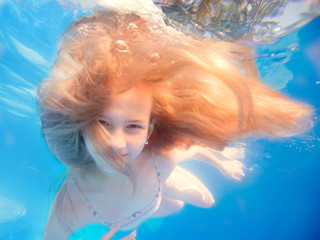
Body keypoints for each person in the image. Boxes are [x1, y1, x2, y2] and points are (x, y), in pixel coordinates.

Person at [37, 9, 312, 239]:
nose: (116, 143)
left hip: (154, 194)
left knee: (205, 202)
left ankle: (163, 190)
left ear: (150, 130)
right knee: (168, 207)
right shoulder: (71, 204)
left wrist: (221, 162)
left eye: (133, 126)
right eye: (103, 123)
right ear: (80, 122)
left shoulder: (160, 156)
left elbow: (194, 148)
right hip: (134, 214)